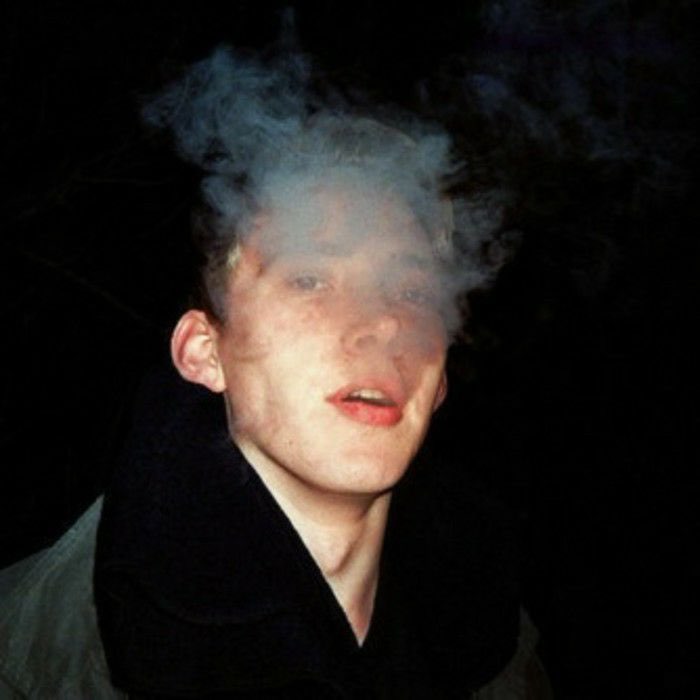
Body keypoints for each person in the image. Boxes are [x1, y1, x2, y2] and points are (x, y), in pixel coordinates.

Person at [0, 49, 552, 698]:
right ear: (204, 353)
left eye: (411, 291)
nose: (382, 324)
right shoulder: (34, 655)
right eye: (310, 278)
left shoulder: (493, 642)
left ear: (441, 382)